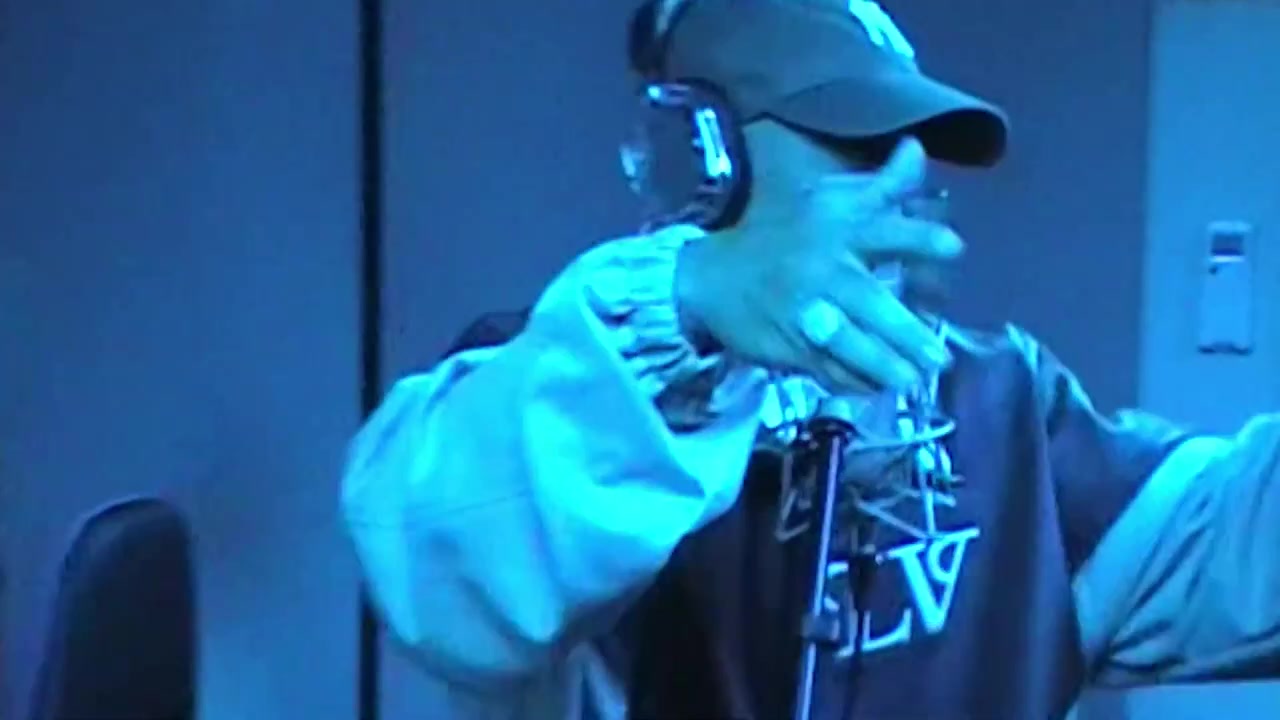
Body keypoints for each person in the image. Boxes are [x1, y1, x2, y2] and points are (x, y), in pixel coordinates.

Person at [340, 1, 1280, 718]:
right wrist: (688, 304)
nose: (908, 179)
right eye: (858, 143)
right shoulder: (576, 380)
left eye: (917, 144)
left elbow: (1243, 544)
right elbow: (433, 564)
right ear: (700, 156)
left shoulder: (1005, 412)